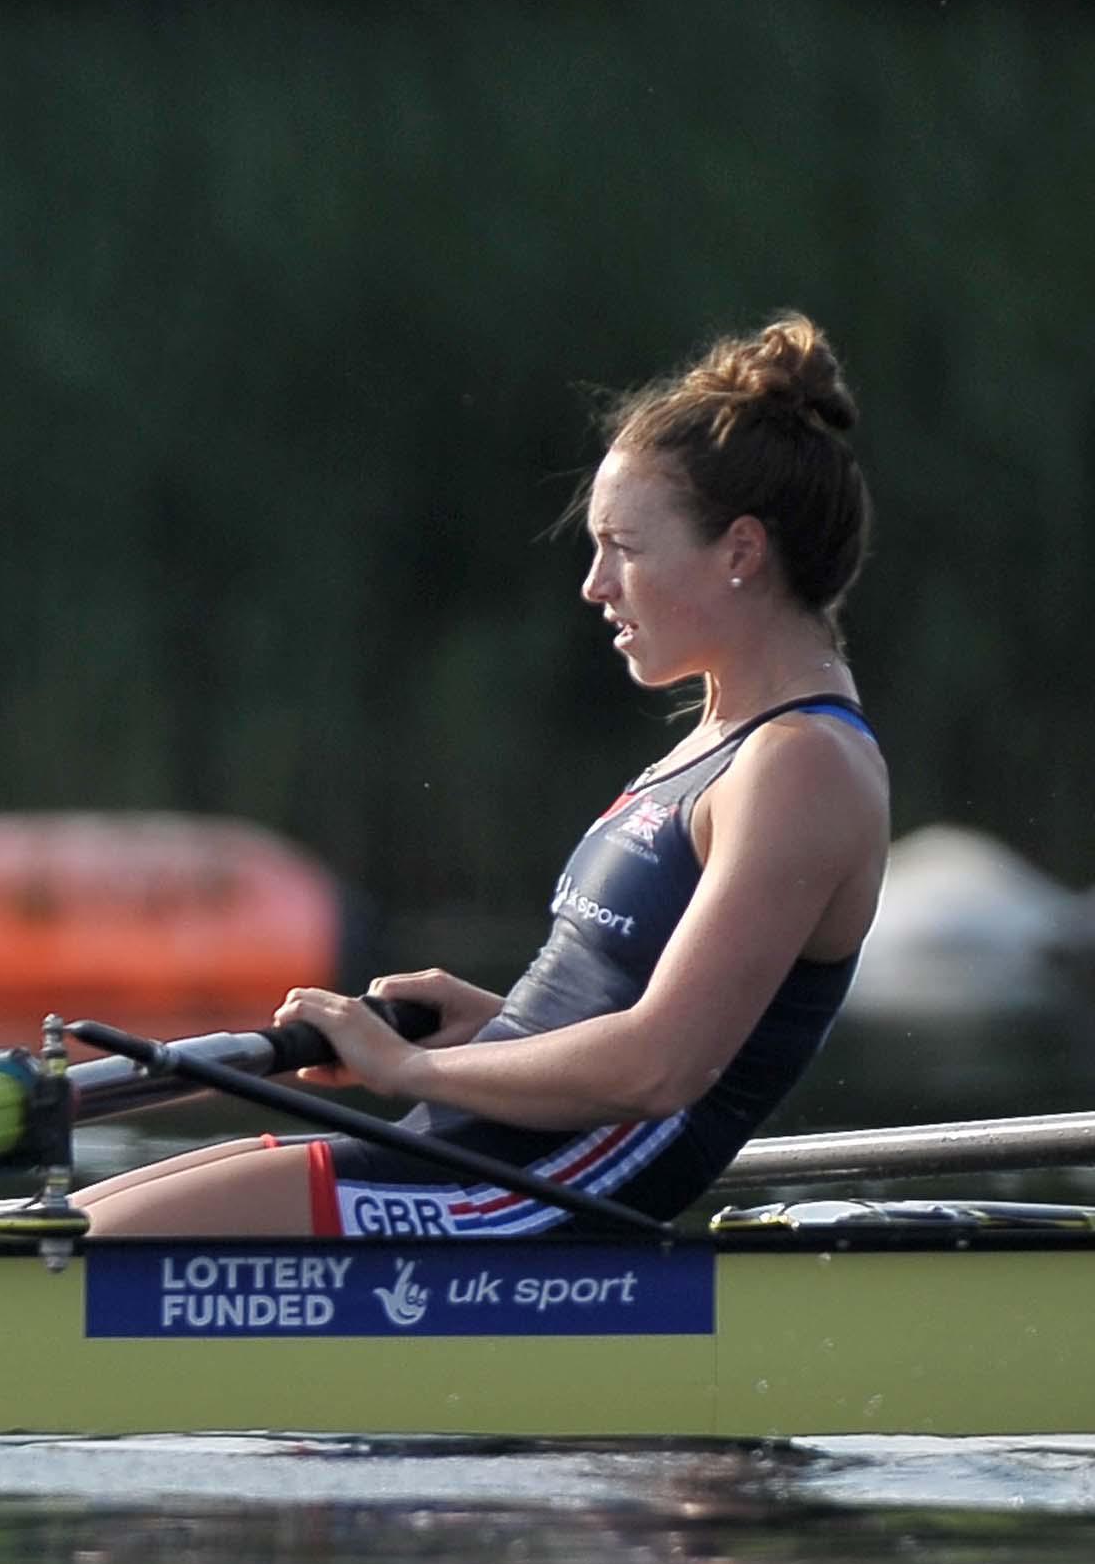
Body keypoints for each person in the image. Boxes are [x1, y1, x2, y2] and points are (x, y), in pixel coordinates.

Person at [81, 316, 887, 1239]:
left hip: (529, 1203)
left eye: (622, 546)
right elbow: (641, 1018)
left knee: (90, 1247)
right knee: (66, 1221)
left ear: (741, 551)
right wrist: (502, 1029)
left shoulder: (804, 766)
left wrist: (405, 1069)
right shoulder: (720, 740)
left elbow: (663, 1066)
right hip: (476, 1166)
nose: (595, 583)